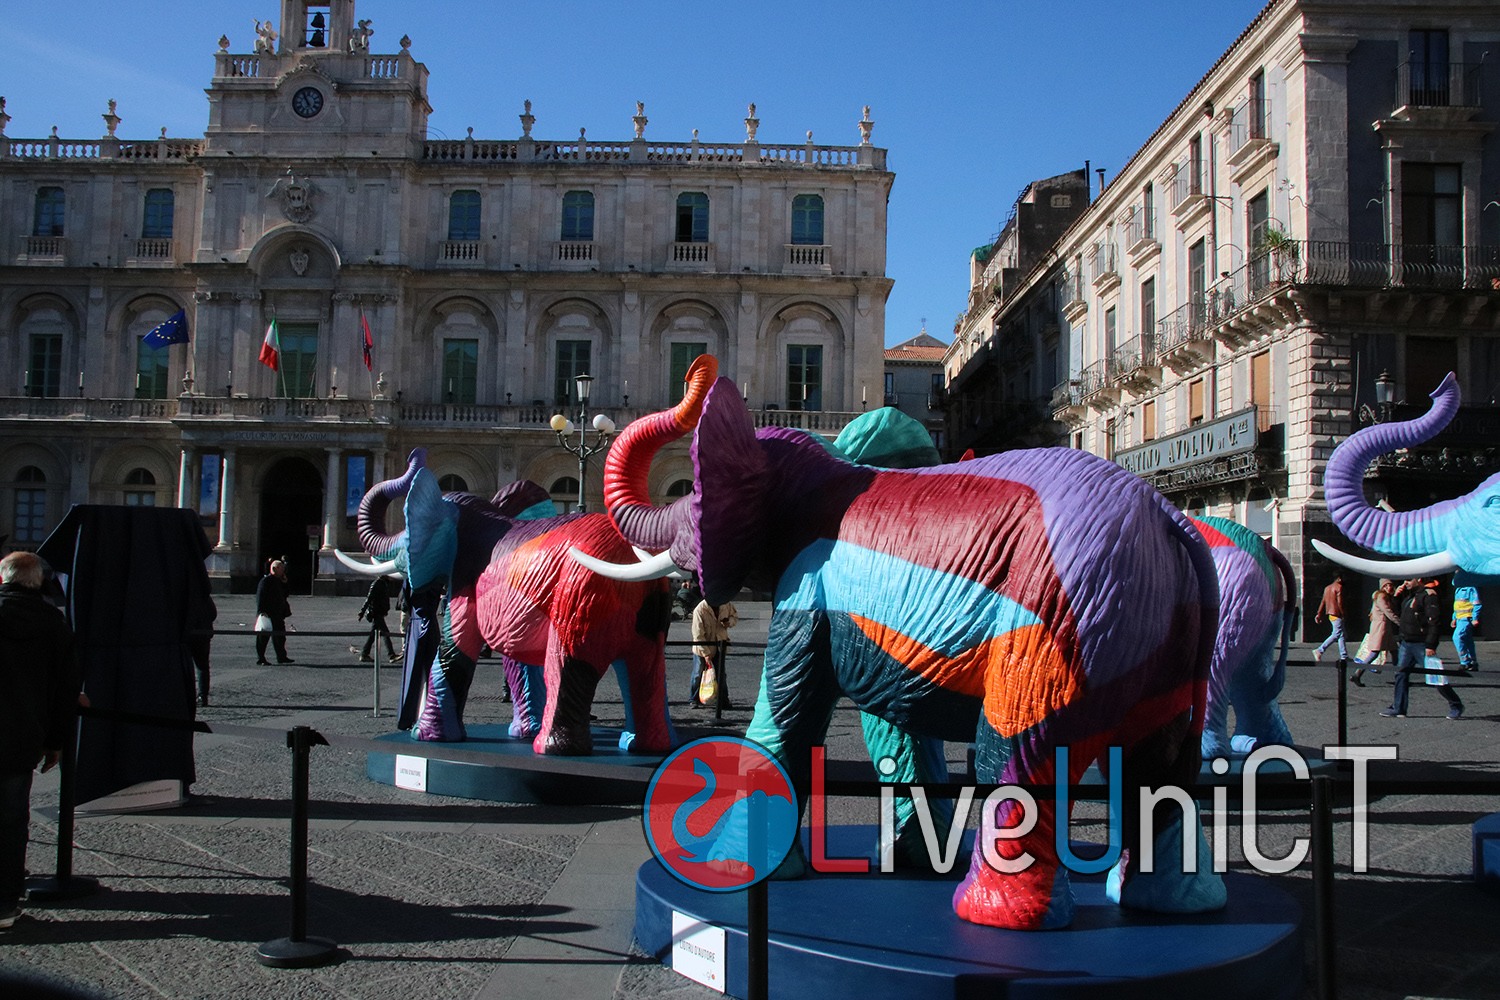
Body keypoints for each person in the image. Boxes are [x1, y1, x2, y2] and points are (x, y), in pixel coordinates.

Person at [0, 551, 80, 930]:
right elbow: (65, 691)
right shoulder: (54, 623)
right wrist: (56, 742)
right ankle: (3, 903)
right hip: (19, 738)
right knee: (12, 820)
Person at [1381, 577, 1463, 720]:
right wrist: (1396, 597)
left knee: (1435, 676)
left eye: (1408, 579)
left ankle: (1455, 704)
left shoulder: (1428, 595)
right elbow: (1400, 613)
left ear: (1418, 579)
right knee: (1401, 674)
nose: (1405, 582)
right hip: (1407, 642)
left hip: (1421, 643)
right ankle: (1399, 707)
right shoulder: (1411, 595)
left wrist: (1431, 644)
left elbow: (1434, 621)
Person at [689, 598, 738, 712]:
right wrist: (706, 654)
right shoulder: (700, 610)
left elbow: (735, 617)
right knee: (698, 673)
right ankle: (693, 699)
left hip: (720, 644)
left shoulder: (726, 604)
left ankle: (723, 699)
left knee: (721, 673)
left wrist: (729, 622)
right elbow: (698, 635)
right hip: (702, 647)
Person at [1352, 578, 1398, 686]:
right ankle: (1357, 674)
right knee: (1374, 653)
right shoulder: (1381, 597)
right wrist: (1400, 622)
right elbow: (1389, 612)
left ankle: (1399, 676)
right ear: (1382, 587)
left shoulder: (1384, 597)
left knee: (1394, 652)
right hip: (1381, 629)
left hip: (1384, 629)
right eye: (1386, 586)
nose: (1389, 588)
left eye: (1390, 585)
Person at [254, 559, 294, 664]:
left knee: (280, 637)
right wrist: (261, 612)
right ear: (275, 569)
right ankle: (261, 658)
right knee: (263, 637)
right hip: (268, 613)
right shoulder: (266, 581)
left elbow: (286, 594)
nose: (283, 571)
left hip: (278, 613)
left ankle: (281, 656)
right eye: (281, 569)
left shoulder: (279, 580)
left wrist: (285, 583)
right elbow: (260, 597)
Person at [354, 574, 399, 663]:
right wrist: (362, 612)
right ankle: (391, 655)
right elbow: (369, 598)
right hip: (376, 613)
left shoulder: (383, 583)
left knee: (373, 635)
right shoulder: (377, 584)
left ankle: (364, 654)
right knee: (385, 633)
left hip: (379, 612)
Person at [188, 590, 217, 707]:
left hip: (188, 635)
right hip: (203, 635)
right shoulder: (204, 596)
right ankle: (202, 696)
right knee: (203, 667)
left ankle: (189, 694)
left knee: (188, 666)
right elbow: (213, 614)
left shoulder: (186, 597)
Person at [1312, 574, 1347, 662]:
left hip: (1330, 614)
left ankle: (1344, 655)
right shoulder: (1339, 587)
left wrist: (1319, 613)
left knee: (1341, 634)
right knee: (1336, 634)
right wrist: (1343, 614)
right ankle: (1320, 650)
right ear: (1339, 578)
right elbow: (1340, 603)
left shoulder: (1327, 588)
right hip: (1337, 614)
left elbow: (1323, 601)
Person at [1451, 576, 1482, 672]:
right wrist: (1454, 618)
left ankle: (1465, 662)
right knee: (1467, 640)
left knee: (1457, 637)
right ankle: (1473, 662)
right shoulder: (1458, 590)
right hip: (1460, 618)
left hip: (1466, 618)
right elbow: (1457, 605)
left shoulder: (1470, 589)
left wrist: (1475, 618)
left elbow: (1477, 604)